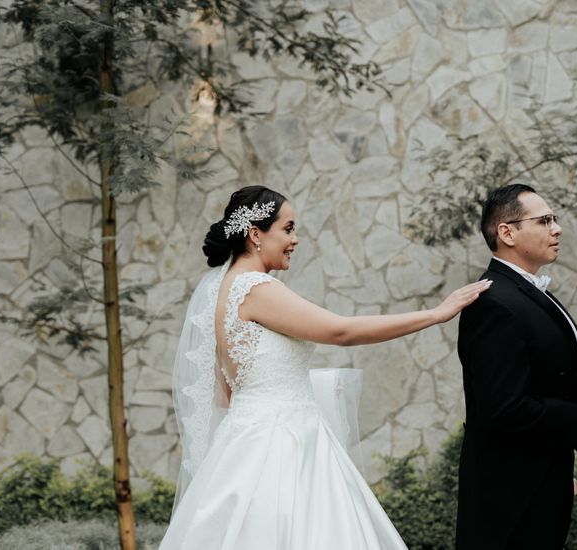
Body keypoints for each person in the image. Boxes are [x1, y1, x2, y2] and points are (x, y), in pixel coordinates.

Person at [160, 185, 491, 549]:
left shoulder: (223, 290)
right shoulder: (255, 287)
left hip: (246, 438)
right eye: (287, 229)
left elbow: (228, 391)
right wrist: (435, 314)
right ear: (255, 233)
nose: (295, 239)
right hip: (283, 445)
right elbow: (341, 330)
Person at [455, 183, 577, 550]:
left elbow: (544, 380)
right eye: (543, 221)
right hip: (510, 502)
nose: (556, 229)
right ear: (507, 233)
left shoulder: (527, 291)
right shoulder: (494, 303)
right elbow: (503, 408)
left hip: (540, 482)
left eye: (554, 220)